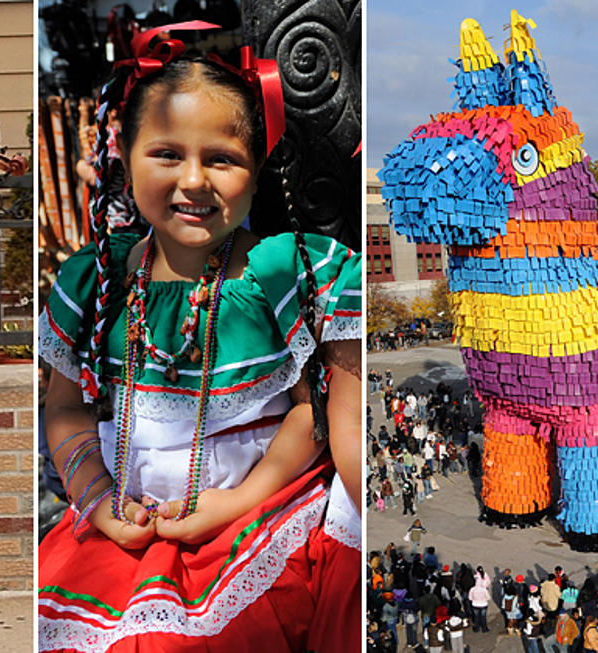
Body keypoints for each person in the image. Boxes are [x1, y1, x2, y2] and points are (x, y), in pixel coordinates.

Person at [36, 22, 362, 652]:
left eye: (222, 158)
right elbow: (67, 407)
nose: (193, 180)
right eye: (166, 154)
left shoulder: (283, 273)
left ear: (256, 169)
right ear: (125, 159)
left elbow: (310, 419)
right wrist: (99, 501)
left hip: (251, 522)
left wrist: (238, 500)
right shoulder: (94, 277)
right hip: (122, 527)